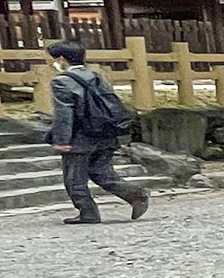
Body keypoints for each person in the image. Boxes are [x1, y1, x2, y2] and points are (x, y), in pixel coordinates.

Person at [44, 41, 149, 224]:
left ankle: (88, 212)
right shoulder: (97, 76)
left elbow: (64, 113)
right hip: (106, 131)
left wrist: (62, 140)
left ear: (61, 59)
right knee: (102, 172)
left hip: (81, 136)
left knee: (74, 179)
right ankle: (135, 193)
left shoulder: (62, 81)